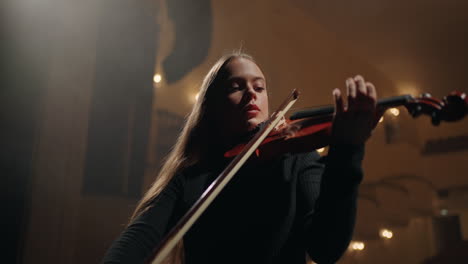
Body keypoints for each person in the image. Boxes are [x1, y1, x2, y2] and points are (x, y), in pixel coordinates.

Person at [102, 51, 378, 264]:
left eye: (259, 88)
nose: (251, 94)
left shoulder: (296, 159)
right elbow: (138, 239)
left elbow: (326, 247)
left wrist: (347, 151)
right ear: (213, 106)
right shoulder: (190, 179)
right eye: (236, 87)